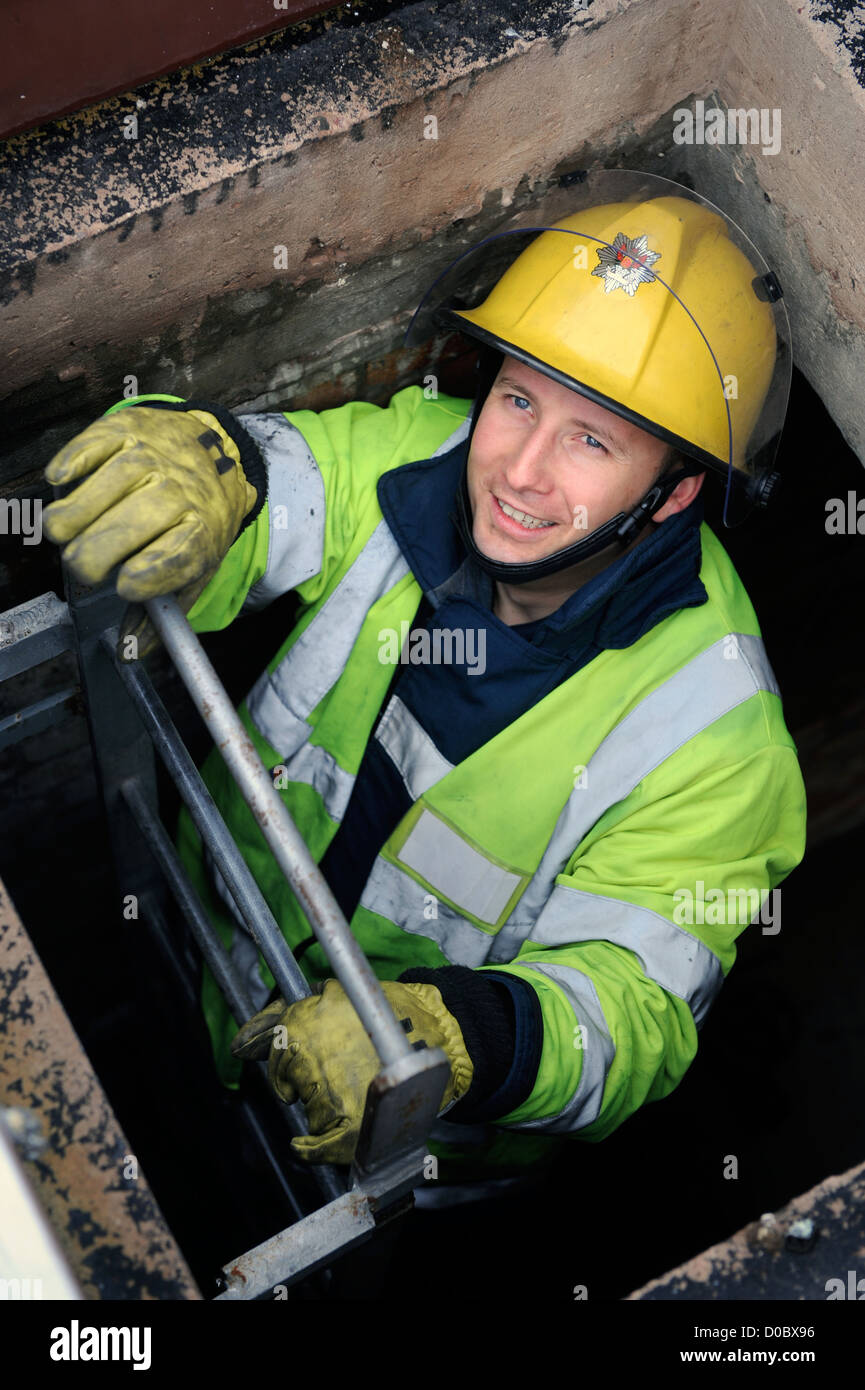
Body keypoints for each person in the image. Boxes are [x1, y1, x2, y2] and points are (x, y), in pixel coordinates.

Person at [42, 171, 806, 1187]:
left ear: (674, 496)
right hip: (212, 964)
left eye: (591, 439)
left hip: (396, 1154)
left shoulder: (717, 743)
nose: (520, 470)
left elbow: (626, 1013)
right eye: (518, 398)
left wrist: (440, 1042)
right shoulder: (422, 459)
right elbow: (278, 476)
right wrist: (201, 460)